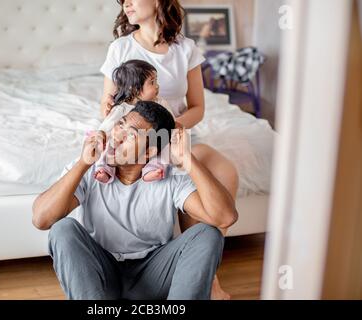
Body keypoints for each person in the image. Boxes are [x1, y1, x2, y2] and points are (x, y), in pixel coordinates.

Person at [99, 0, 238, 299]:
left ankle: (205, 271)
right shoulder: (120, 49)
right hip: (140, 139)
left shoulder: (185, 49)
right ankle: (196, 275)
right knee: (180, 175)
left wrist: (172, 127)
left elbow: (198, 108)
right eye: (123, 1)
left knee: (224, 170)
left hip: (177, 133)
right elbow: (107, 105)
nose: (127, 4)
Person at [32, 102, 238, 299]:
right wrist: (82, 164)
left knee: (208, 234)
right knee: (63, 228)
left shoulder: (170, 177)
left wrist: (187, 158)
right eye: (120, 124)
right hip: (103, 273)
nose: (117, 136)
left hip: (151, 275)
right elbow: (41, 219)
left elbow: (224, 217)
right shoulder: (90, 167)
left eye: (131, 134)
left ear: (149, 152)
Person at [93, 59, 174, 183]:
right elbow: (106, 127)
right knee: (106, 146)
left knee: (164, 145)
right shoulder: (122, 108)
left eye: (156, 81)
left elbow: (169, 121)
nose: (157, 86)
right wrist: (101, 134)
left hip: (152, 140)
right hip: (126, 144)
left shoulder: (160, 102)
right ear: (135, 90)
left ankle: (154, 168)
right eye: (152, 82)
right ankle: (103, 169)